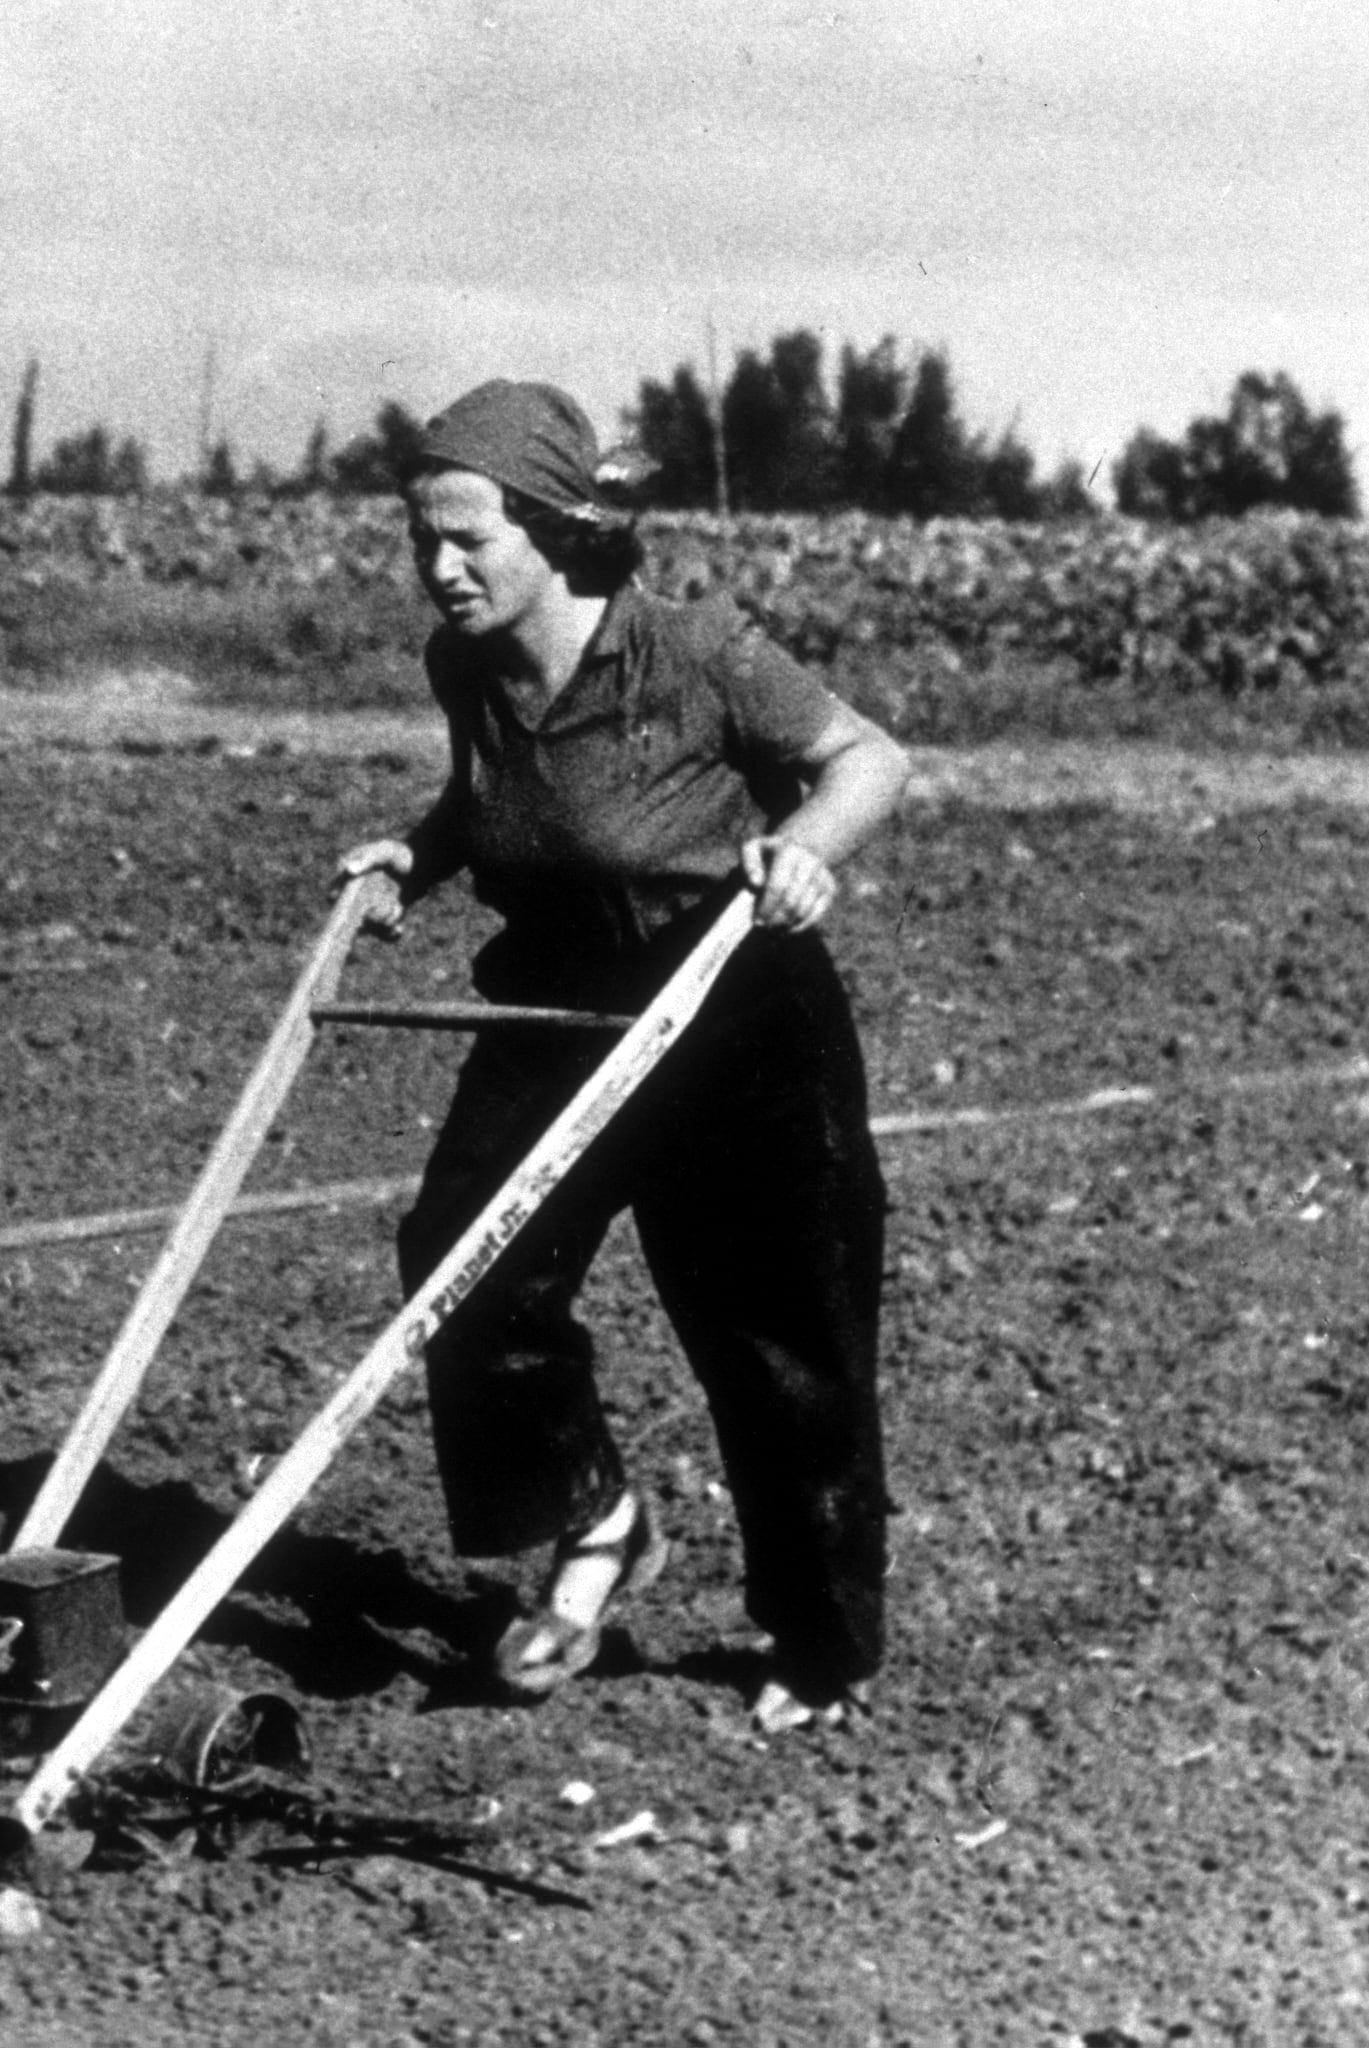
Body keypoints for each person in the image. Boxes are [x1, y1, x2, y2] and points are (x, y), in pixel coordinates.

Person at [340, 379, 911, 1735]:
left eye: (471, 539)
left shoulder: (696, 651)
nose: (442, 567)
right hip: (558, 1001)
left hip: (730, 1003)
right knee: (463, 1263)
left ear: (553, 527)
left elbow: (866, 758)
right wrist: (413, 860)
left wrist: (803, 854)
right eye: (424, 538)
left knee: (778, 1339)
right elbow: (499, 805)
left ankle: (820, 1651)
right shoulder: (462, 665)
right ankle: (596, 1518)